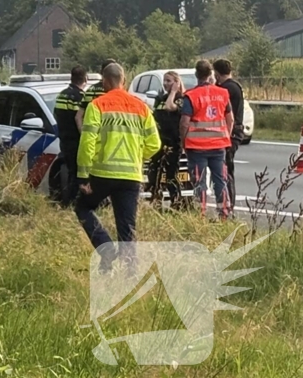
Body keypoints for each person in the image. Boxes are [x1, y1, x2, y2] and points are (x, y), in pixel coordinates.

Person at [75, 63, 161, 269]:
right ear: (124, 81)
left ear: (104, 82)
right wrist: (137, 157)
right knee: (127, 226)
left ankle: (105, 248)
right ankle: (130, 272)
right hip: (131, 176)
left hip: (102, 173)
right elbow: (155, 144)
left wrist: (83, 175)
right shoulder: (142, 107)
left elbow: (87, 142)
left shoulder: (97, 105)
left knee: (83, 207)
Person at [181, 60, 235, 219]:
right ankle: (224, 213)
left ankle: (201, 214)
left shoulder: (191, 95)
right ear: (210, 74)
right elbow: (230, 119)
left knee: (200, 181)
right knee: (220, 180)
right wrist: (225, 136)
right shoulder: (223, 93)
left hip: (197, 147)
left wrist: (183, 142)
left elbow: (184, 123)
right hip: (218, 146)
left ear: (196, 74)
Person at [53, 65, 88, 207]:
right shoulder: (81, 97)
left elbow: (57, 115)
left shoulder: (61, 95)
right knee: (77, 174)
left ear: (71, 78)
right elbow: (81, 118)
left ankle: (67, 201)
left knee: (70, 171)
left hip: (64, 139)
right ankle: (71, 202)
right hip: (76, 140)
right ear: (85, 79)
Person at [148, 71, 185, 203]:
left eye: (169, 81)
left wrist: (174, 91)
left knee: (171, 176)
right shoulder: (160, 99)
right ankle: (156, 199)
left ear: (176, 82)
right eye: (164, 80)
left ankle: (176, 202)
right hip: (159, 142)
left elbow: (170, 107)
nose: (165, 83)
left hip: (173, 142)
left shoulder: (180, 99)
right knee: (154, 173)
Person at [213, 58, 244, 207]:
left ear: (217, 73)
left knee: (226, 169)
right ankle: (227, 203)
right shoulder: (235, 86)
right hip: (235, 131)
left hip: (230, 132)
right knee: (225, 169)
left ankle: (229, 204)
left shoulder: (226, 89)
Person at [75, 59, 118, 133]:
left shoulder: (90, 90)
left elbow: (78, 116)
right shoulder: (116, 91)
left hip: (93, 135)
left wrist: (83, 134)